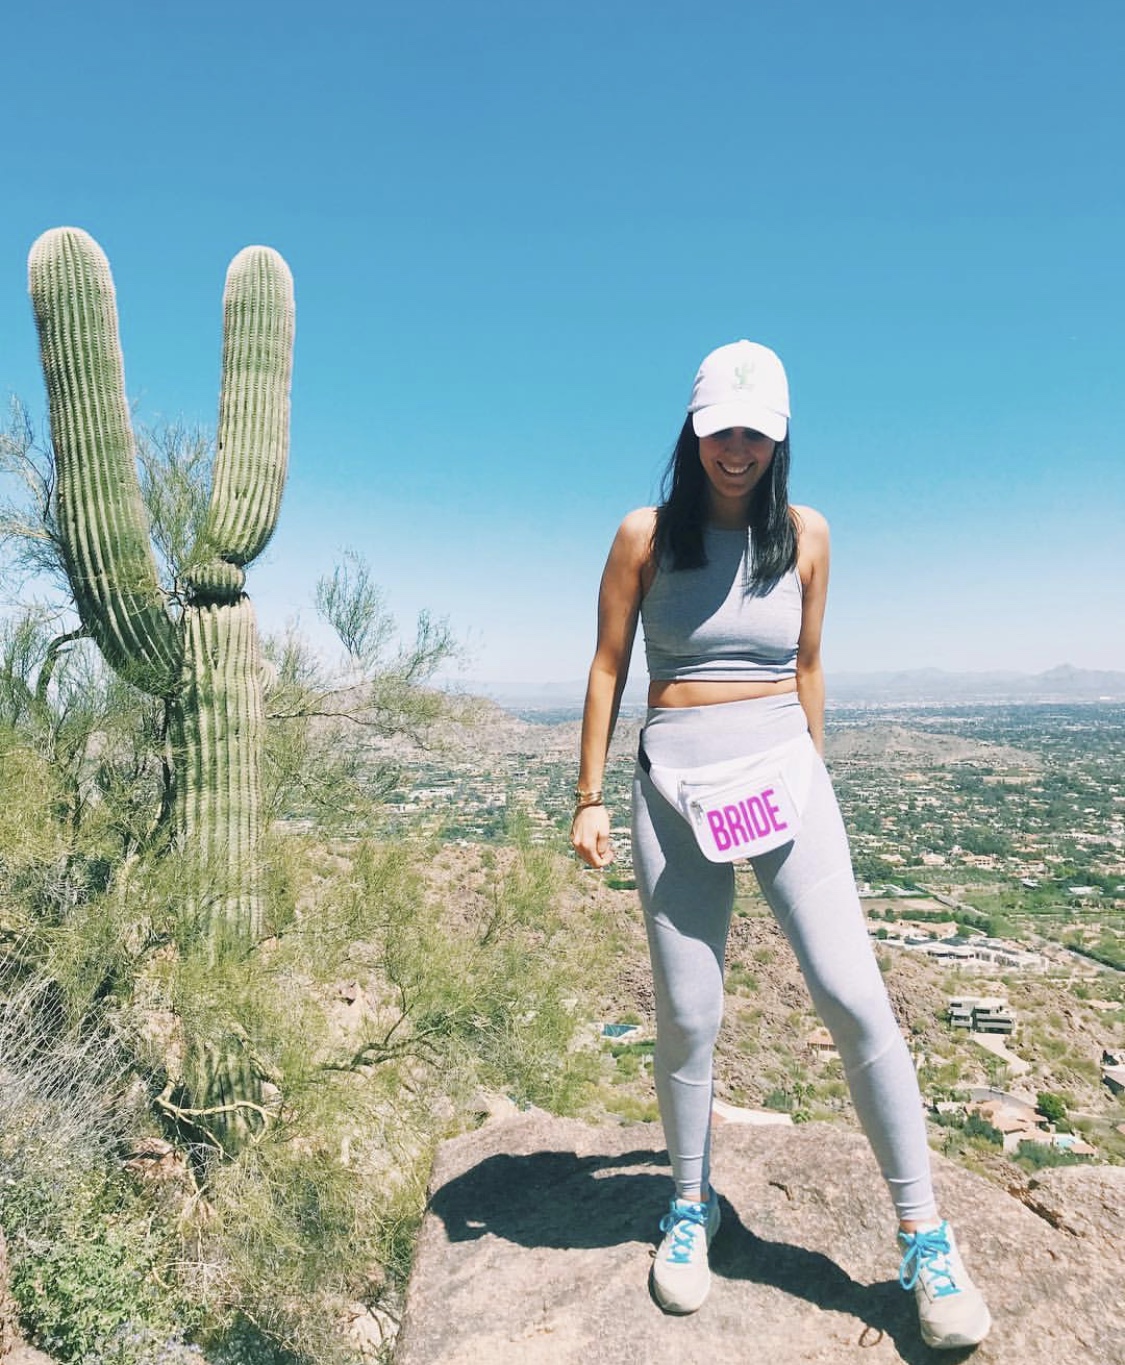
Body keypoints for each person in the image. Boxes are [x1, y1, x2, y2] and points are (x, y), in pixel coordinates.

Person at [570, 340, 991, 1350]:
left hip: (782, 776)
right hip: (673, 783)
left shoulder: (806, 535)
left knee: (852, 995)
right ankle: (686, 1204)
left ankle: (925, 1235)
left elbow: (808, 663)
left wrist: (815, 768)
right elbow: (606, 666)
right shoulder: (643, 534)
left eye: (757, 432)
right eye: (722, 429)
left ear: (781, 439)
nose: (738, 449)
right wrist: (586, 796)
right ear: (694, 428)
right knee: (688, 1006)